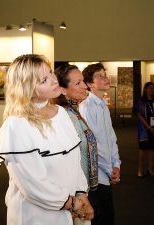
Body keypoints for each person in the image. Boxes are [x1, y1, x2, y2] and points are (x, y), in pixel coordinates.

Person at [0, 54, 93, 225]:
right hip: (36, 216)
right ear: (27, 89)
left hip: (68, 210)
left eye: (51, 73)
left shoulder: (61, 114)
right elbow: (33, 185)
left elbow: (75, 162)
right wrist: (74, 204)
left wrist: (82, 195)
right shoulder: (17, 125)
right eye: (44, 80)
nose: (54, 80)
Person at [54, 64, 99, 225]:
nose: (85, 86)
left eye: (83, 82)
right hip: (72, 194)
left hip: (79, 190)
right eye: (78, 83)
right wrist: (78, 198)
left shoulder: (72, 111)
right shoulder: (64, 116)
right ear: (63, 90)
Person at [79, 63, 121, 225]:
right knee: (100, 218)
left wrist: (116, 164)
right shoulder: (87, 108)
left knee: (108, 216)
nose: (105, 78)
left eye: (105, 74)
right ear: (89, 84)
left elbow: (111, 139)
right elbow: (93, 146)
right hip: (96, 177)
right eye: (99, 76)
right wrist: (110, 169)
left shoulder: (103, 105)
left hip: (106, 172)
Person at [136, 82, 154, 177]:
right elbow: (139, 116)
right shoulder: (141, 101)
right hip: (144, 128)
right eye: (149, 88)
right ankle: (140, 169)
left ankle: (150, 169)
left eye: (153, 88)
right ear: (145, 89)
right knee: (143, 149)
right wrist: (148, 127)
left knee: (152, 148)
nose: (151, 89)